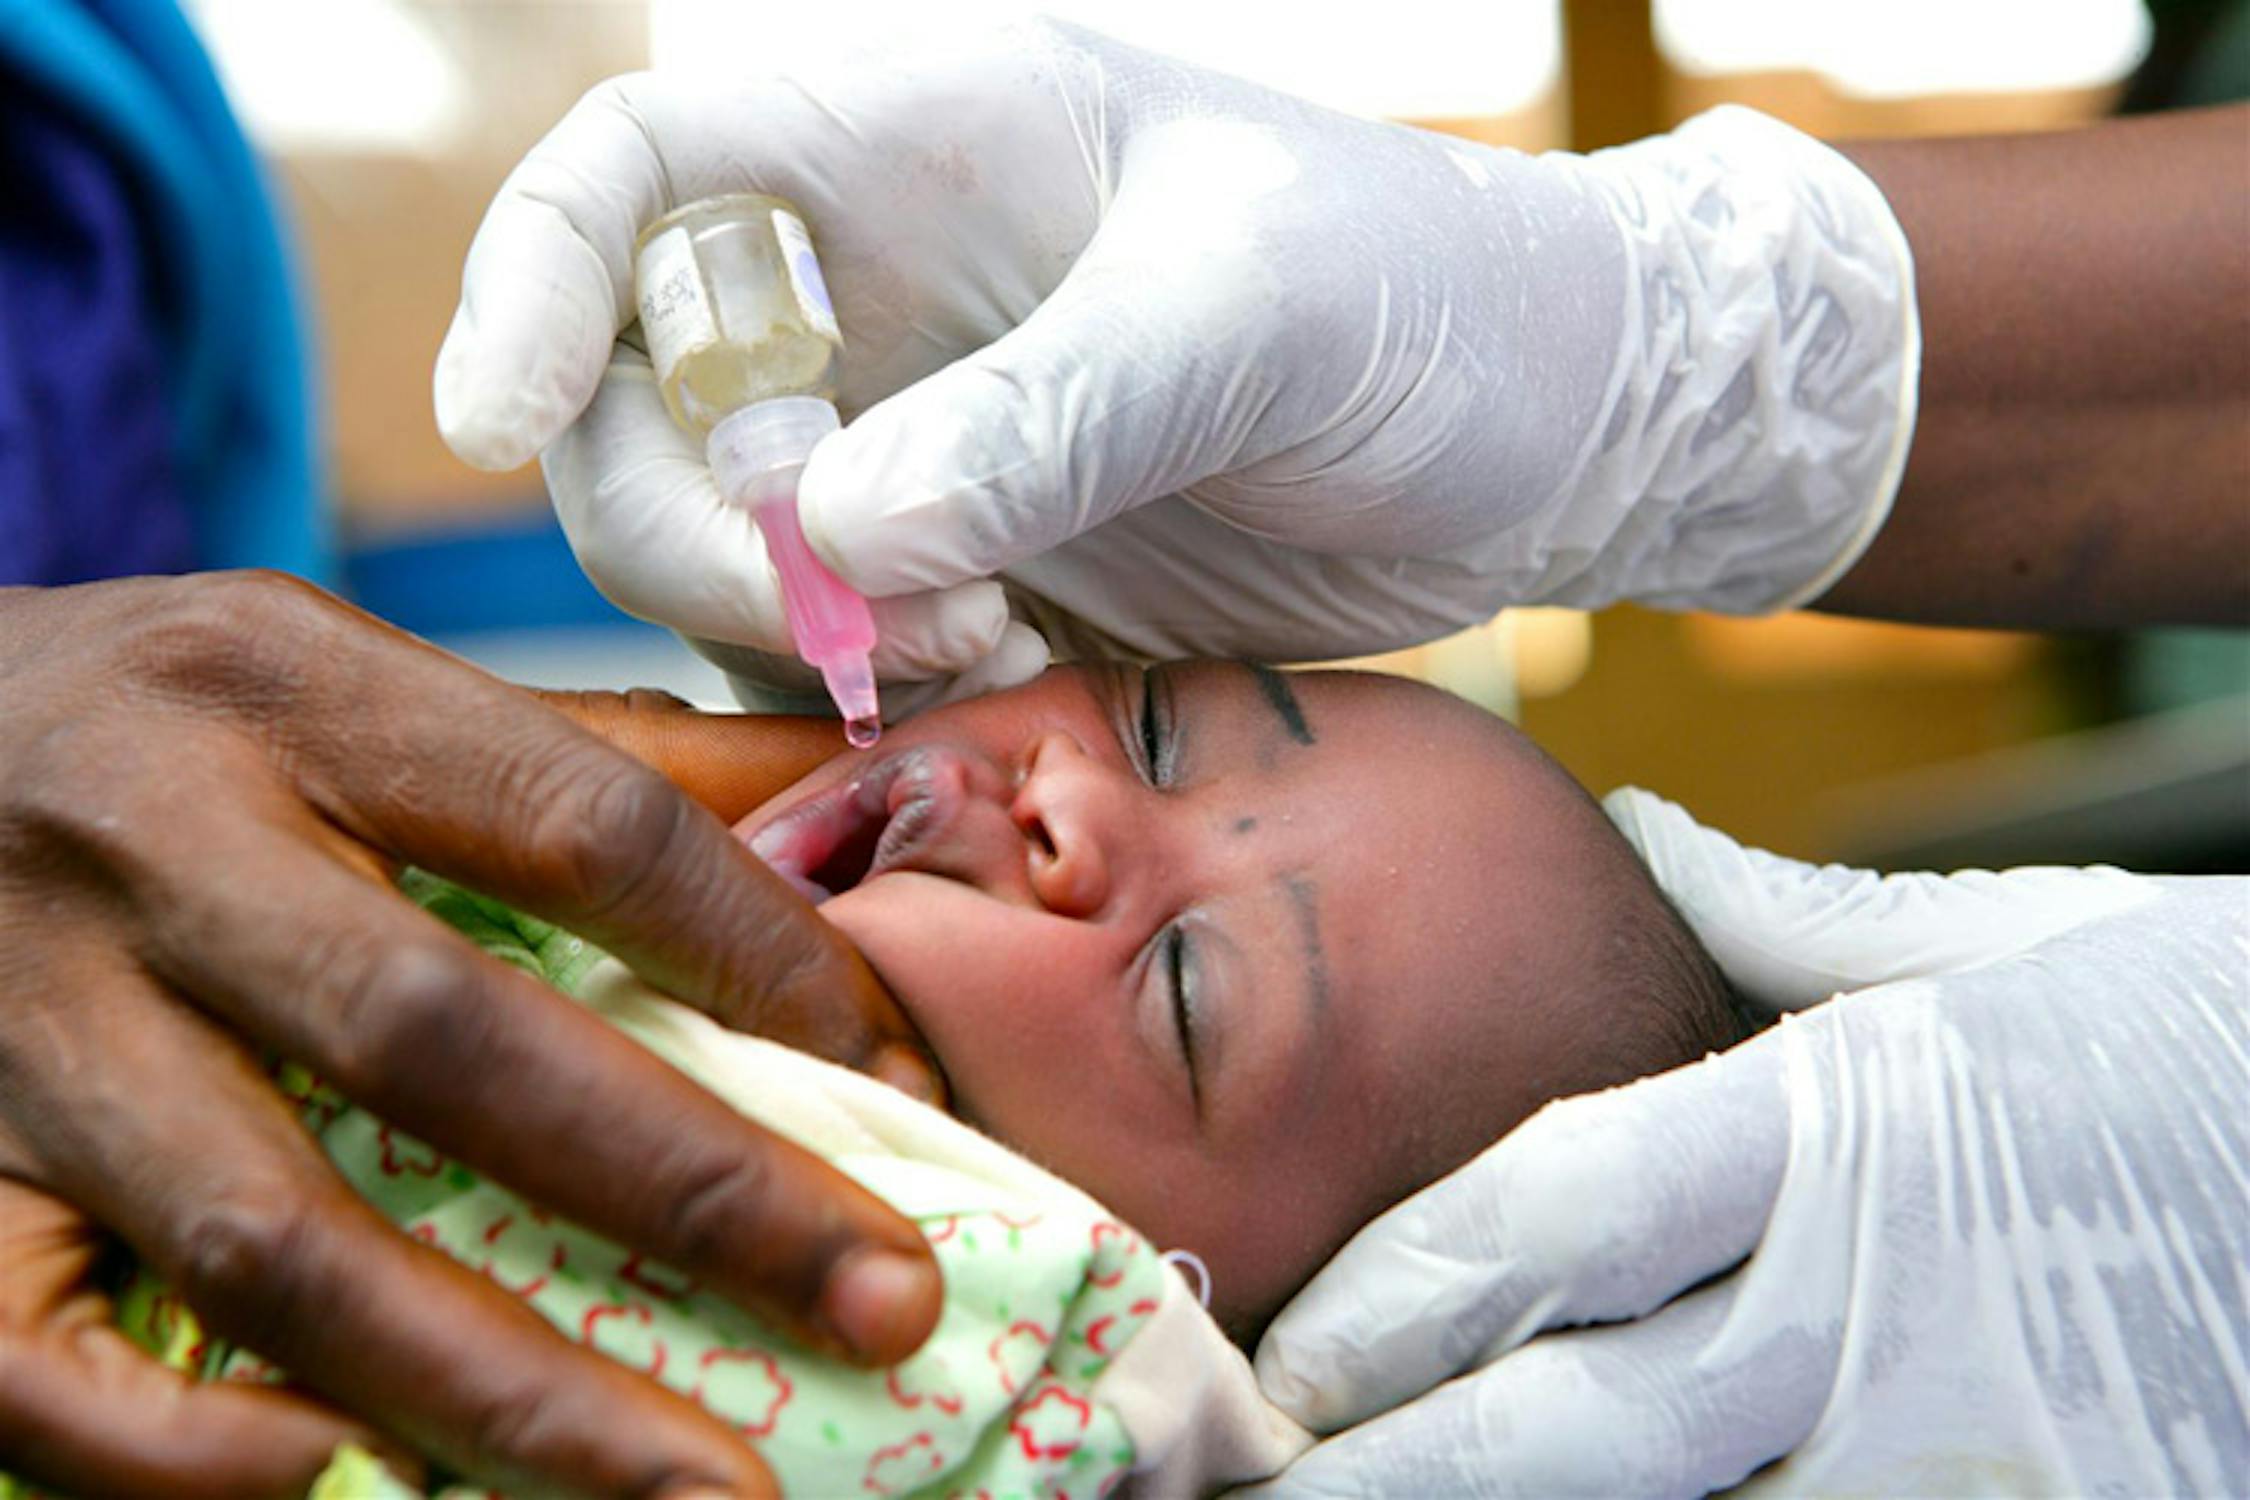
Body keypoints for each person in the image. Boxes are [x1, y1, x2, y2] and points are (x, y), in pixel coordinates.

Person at [432, 20, 2248, 1495]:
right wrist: (1667, 347)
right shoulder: (508, 828)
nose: (1069, 806)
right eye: (1153, 718)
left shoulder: (1011, 1386)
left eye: (1191, 996)